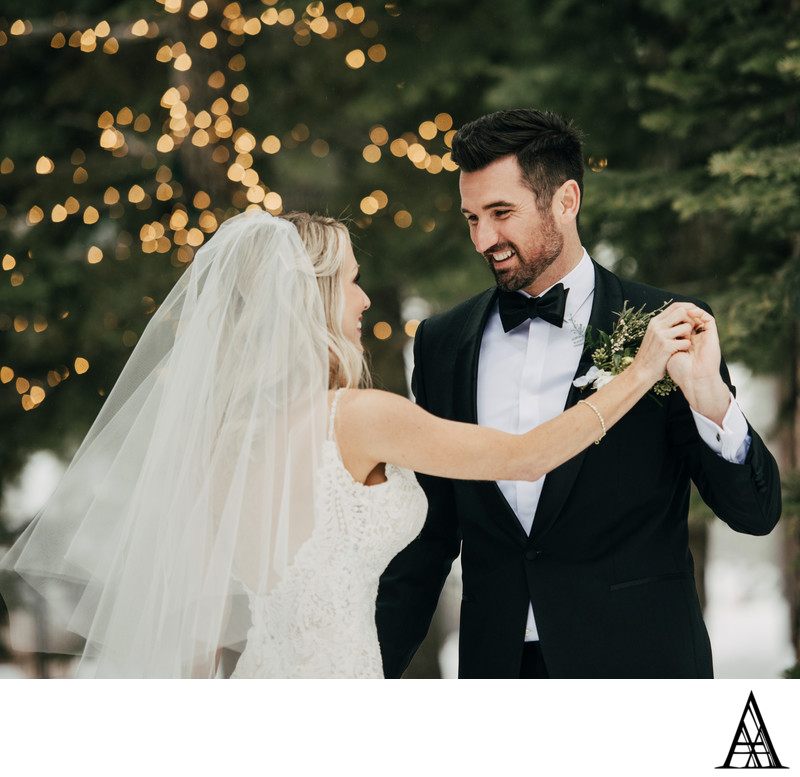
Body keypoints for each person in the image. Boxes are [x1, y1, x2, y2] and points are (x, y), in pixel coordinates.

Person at [1, 209, 708, 678]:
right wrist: (642, 370)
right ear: (307, 301)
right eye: (351, 283)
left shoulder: (223, 439)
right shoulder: (358, 417)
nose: (365, 300)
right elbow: (525, 454)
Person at [375, 108, 782, 679]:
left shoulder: (661, 327)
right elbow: (432, 530)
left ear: (566, 201)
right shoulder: (442, 344)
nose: (483, 238)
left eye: (501, 213)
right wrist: (364, 670)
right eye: (471, 218)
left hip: (640, 668)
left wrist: (710, 398)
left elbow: (755, 513)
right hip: (498, 673)